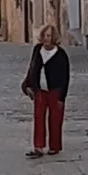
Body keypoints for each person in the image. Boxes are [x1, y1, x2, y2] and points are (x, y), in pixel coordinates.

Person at [21, 24, 70, 158]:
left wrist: (62, 97)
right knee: (38, 118)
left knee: (55, 120)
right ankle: (38, 147)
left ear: (54, 37)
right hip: (40, 90)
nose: (46, 38)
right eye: (44, 35)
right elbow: (32, 68)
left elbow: (66, 77)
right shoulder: (37, 50)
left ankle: (54, 146)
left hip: (55, 90)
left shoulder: (61, 54)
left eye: (49, 36)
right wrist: (28, 84)